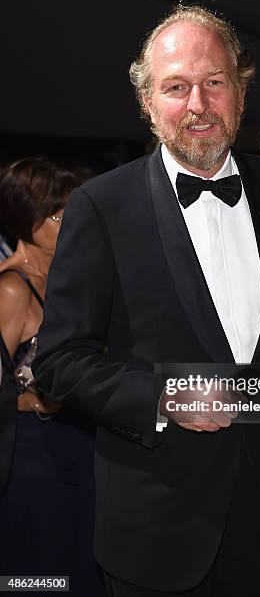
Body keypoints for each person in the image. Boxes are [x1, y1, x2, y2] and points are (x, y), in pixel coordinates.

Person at [33, 6, 260, 597]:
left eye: (214, 82)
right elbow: (58, 360)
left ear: (241, 87)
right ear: (148, 103)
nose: (197, 105)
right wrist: (163, 396)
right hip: (157, 528)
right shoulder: (102, 206)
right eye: (176, 87)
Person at [0, 157, 105, 596]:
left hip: (78, 448)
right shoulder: (10, 288)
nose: (69, 222)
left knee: (81, 573)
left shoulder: (63, 279)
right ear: (27, 220)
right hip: (31, 458)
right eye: (57, 214)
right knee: (38, 580)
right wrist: (29, 400)